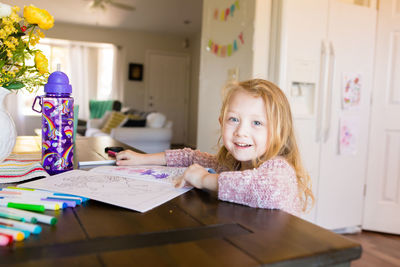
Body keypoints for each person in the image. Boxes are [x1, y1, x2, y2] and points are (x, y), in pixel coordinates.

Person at [116, 79, 314, 216]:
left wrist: (204, 179)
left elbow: (266, 190)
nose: (241, 132)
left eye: (257, 123)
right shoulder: (231, 163)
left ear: (280, 131)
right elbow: (190, 157)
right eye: (233, 119)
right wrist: (143, 159)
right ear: (221, 122)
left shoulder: (278, 168)